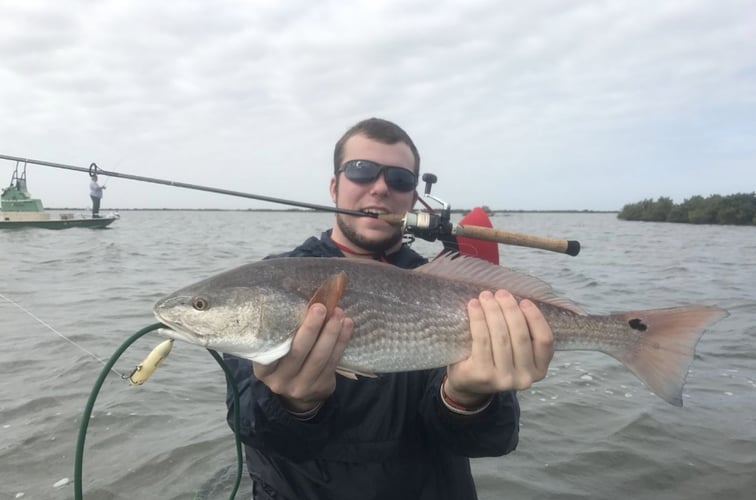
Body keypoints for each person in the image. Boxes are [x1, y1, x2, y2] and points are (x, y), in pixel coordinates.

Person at [223, 117, 555, 500]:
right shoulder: (269, 282)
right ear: (334, 186)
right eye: (361, 172)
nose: (380, 188)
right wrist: (293, 405)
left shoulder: (453, 289)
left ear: (413, 199)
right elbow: (249, 423)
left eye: (399, 180)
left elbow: (492, 441)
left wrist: (467, 398)